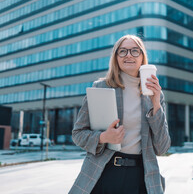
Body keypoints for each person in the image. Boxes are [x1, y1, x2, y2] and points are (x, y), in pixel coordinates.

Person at [69, 35, 171, 194]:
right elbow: (78, 134)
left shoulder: (154, 94)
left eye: (134, 51)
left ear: (142, 56)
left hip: (140, 177)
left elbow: (162, 147)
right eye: (122, 51)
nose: (129, 55)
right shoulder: (101, 87)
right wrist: (103, 138)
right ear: (116, 57)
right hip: (104, 172)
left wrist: (156, 104)